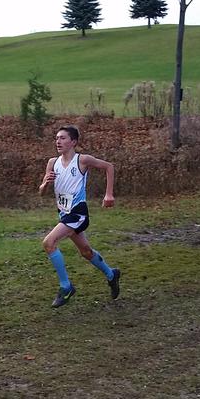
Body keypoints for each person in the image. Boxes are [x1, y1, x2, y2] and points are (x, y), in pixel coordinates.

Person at [39, 125, 121, 307]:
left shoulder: (82, 160)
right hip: (64, 212)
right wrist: (45, 184)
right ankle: (111, 274)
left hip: (78, 212)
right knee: (86, 252)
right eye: (57, 138)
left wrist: (108, 194)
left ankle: (66, 287)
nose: (58, 141)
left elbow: (109, 167)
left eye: (62, 138)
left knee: (49, 242)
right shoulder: (52, 162)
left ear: (73, 142)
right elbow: (41, 193)